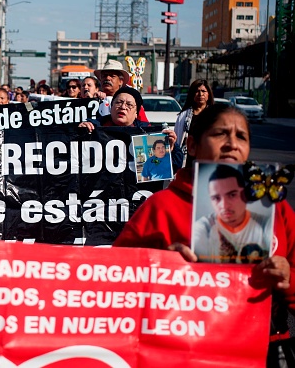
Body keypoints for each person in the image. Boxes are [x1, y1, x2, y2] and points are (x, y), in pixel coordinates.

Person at [112, 104, 295, 366]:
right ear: (194, 146)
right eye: (221, 134)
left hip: (263, 350)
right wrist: (161, 268)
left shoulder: (275, 207)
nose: (232, 144)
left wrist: (287, 281)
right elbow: (114, 283)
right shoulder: (160, 207)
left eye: (241, 136)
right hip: (182, 352)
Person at [79, 86, 182, 170]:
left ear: (136, 113)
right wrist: (78, 132)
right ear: (111, 107)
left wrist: (170, 150)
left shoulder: (148, 134)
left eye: (129, 105)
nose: (123, 107)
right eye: (119, 102)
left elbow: (174, 166)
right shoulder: (94, 127)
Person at [192, 164, 272, 263]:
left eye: (232, 195)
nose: (224, 205)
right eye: (216, 198)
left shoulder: (266, 224)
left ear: (246, 194)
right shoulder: (204, 227)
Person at [174, 79, 214, 164]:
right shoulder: (183, 116)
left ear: (209, 94)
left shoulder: (214, 115)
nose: (200, 94)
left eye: (203, 91)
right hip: (188, 159)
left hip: (208, 158)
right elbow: (177, 141)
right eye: (197, 91)